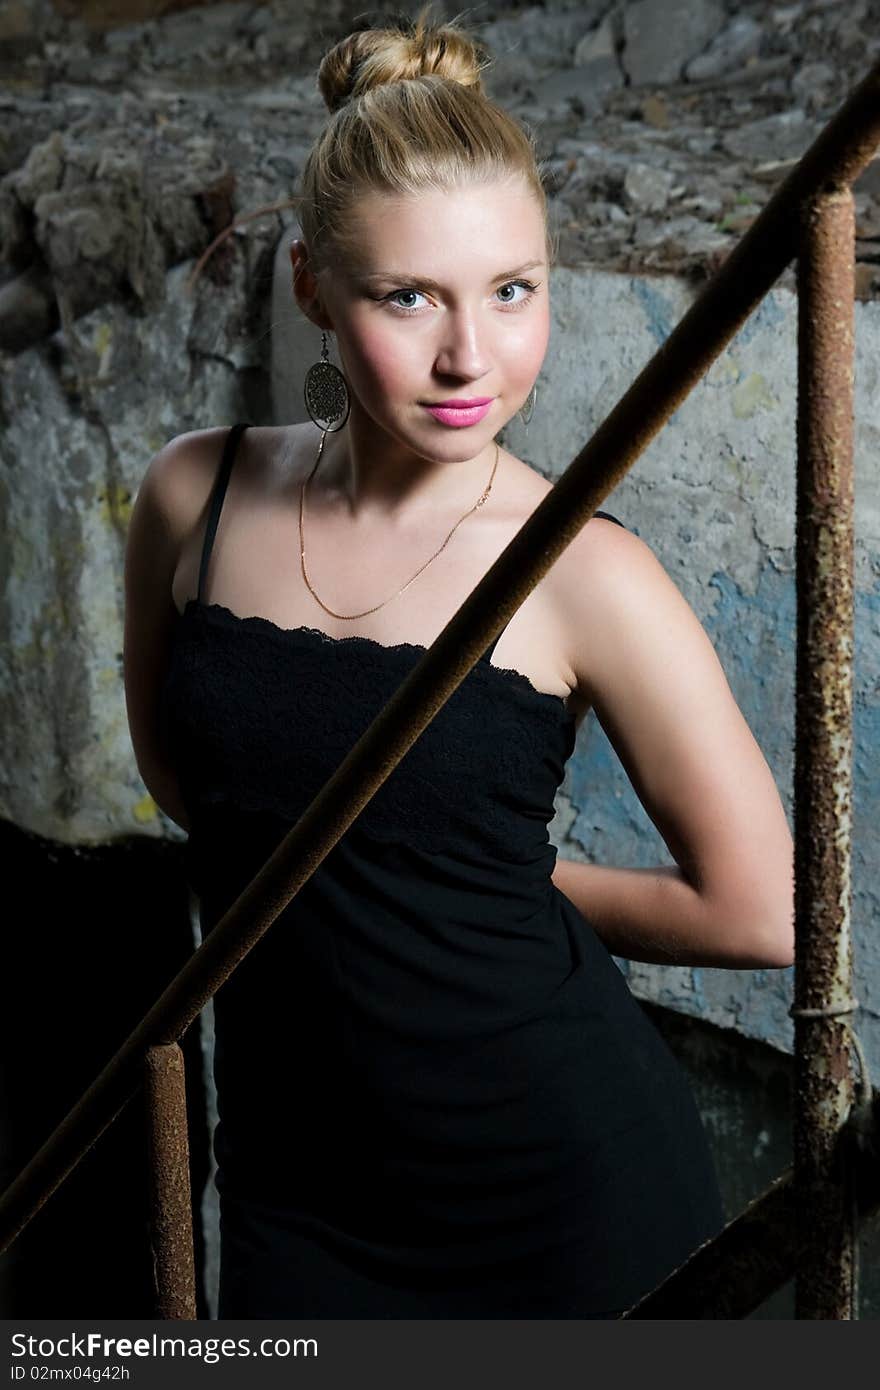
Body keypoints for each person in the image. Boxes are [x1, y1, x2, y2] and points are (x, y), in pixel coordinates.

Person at [123, 8, 795, 1319]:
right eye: (407, 295)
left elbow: (759, 910)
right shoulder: (189, 496)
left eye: (511, 289)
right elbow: (190, 785)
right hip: (298, 1195)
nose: (468, 358)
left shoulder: (586, 571)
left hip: (564, 1193)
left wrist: (507, 877)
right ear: (313, 282)